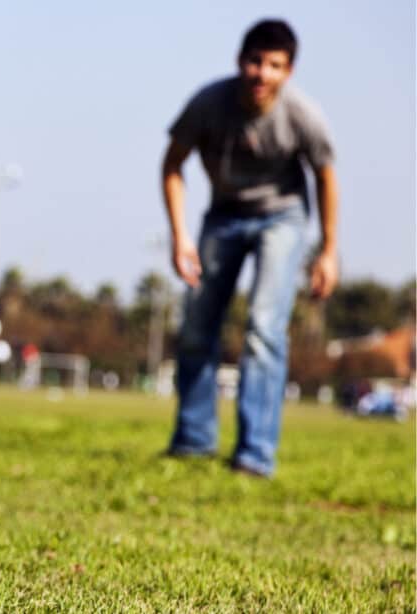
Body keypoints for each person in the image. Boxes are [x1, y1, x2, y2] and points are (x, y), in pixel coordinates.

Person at [161, 19, 339, 477]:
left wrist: (328, 249)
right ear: (241, 61)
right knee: (199, 323)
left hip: (282, 218)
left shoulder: (302, 115)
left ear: (289, 71)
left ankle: (255, 454)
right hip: (223, 215)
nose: (262, 73)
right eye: (256, 61)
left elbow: (325, 177)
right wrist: (180, 236)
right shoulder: (208, 104)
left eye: (275, 65)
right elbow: (173, 165)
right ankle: (194, 440)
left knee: (263, 327)